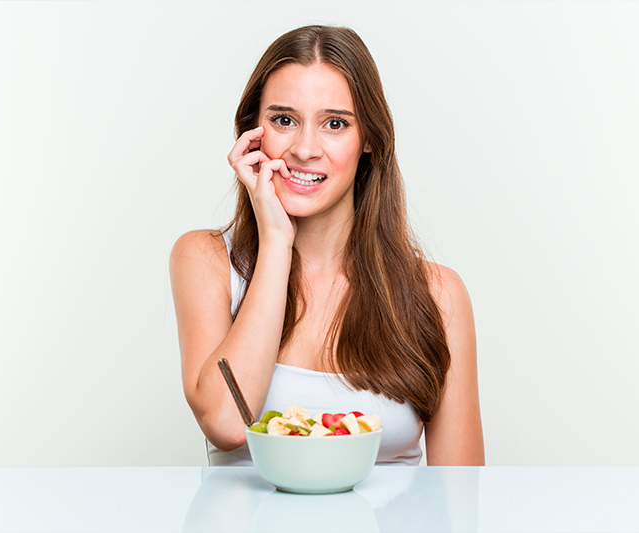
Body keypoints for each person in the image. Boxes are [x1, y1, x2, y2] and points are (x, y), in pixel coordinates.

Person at [170, 25, 484, 466]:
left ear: (369, 139)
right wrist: (277, 240)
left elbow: (461, 496)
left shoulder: (439, 294)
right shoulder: (206, 261)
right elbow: (226, 422)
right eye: (284, 120)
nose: (304, 148)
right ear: (253, 133)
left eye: (335, 124)